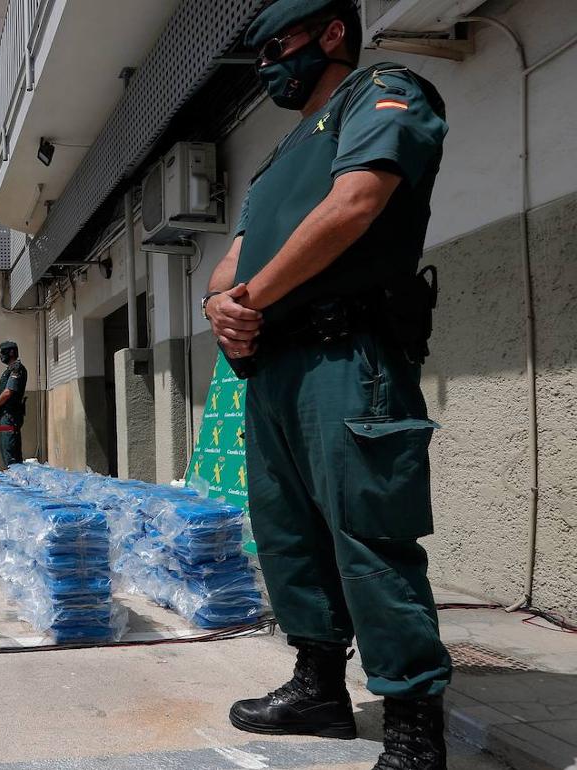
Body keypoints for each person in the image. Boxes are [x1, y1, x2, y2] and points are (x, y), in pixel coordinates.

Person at [203, 2, 450, 768]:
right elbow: (232, 257)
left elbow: (357, 204)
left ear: (331, 32)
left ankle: (413, 720)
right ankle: (318, 685)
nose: (270, 65)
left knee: (368, 534)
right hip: (274, 370)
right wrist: (220, 302)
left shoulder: (381, 92)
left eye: (279, 46)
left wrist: (251, 299)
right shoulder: (279, 161)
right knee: (287, 535)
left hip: (348, 358)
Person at [0, 341, 27, 467]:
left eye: (2, 352)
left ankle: (16, 481)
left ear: (11, 352)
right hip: (5, 415)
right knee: (5, 449)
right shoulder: (8, 371)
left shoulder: (17, 369)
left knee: (11, 452)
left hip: (11, 416)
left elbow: (8, 392)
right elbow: (1, 392)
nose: (1, 356)